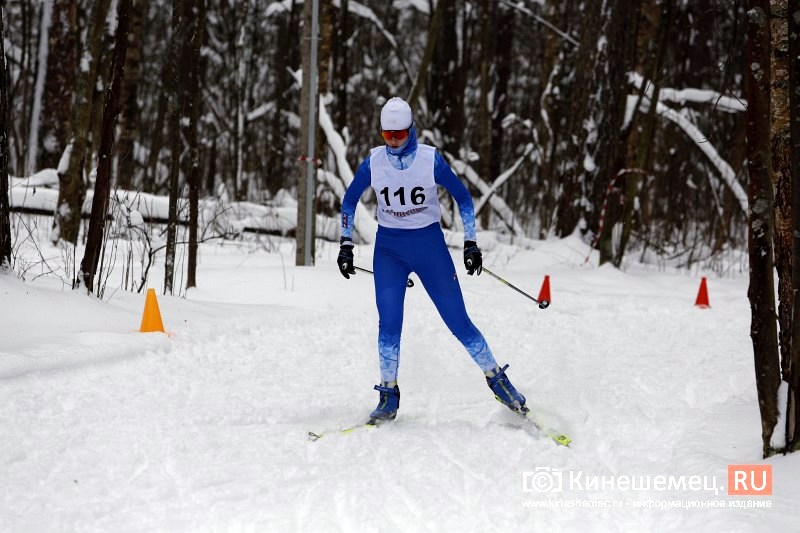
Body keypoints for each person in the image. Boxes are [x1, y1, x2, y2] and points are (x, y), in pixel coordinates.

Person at [337, 97, 527, 422]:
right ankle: (388, 394)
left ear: (411, 130)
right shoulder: (373, 162)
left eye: (399, 134)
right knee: (389, 324)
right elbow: (349, 200)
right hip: (389, 251)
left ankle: (499, 381)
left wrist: (470, 243)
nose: (393, 141)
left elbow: (464, 197)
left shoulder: (430, 159)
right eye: (387, 135)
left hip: (429, 248)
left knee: (458, 321)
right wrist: (345, 244)